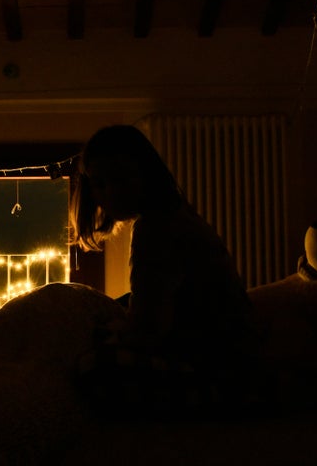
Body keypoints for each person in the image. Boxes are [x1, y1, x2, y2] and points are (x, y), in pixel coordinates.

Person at [70, 124, 261, 416]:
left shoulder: (158, 228)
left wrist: (116, 331)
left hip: (223, 368)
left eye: (120, 178)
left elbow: (149, 332)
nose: (109, 193)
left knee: (91, 367)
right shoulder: (174, 216)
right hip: (228, 352)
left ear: (145, 173)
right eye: (99, 183)